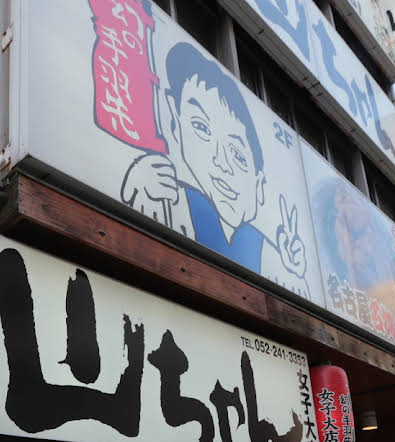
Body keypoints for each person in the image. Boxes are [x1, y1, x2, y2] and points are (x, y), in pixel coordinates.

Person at [120, 42, 309, 298]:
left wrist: (294, 276)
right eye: (201, 127)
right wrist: (134, 189)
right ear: (175, 124)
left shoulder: (264, 250)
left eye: (238, 155)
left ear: (260, 185)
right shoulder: (168, 197)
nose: (221, 161)